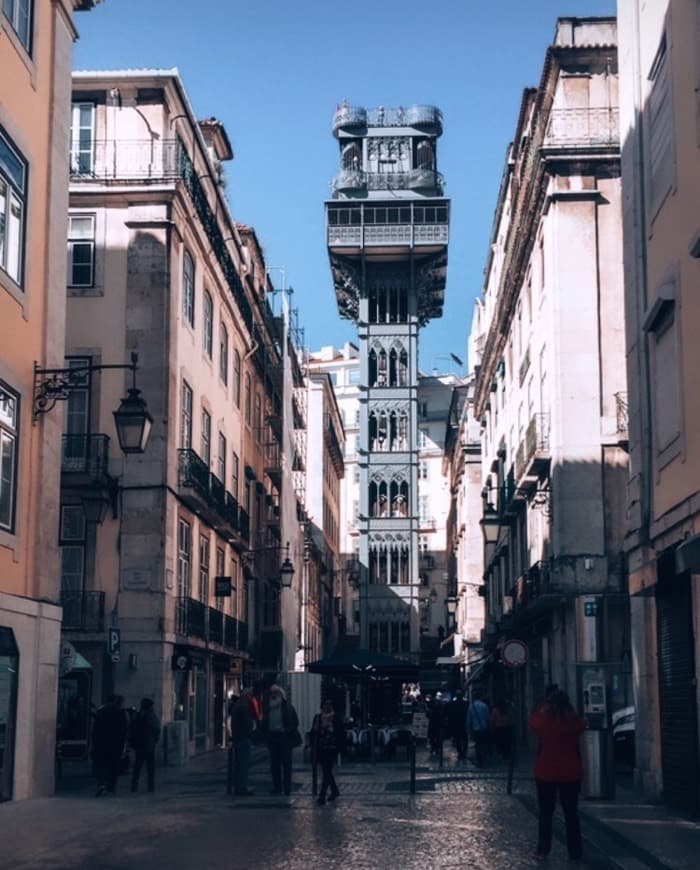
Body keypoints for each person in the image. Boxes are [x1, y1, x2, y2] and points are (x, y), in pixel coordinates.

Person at [529, 689, 586, 863]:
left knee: (546, 813)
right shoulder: (574, 723)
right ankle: (575, 852)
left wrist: (544, 706)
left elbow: (532, 721)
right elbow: (582, 724)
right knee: (571, 814)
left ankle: (543, 850)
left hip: (546, 772)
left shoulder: (544, 722)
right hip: (570, 772)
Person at [260, 684, 299, 796]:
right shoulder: (268, 708)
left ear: (281, 694)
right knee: (274, 764)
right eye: (272, 693)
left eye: (276, 693)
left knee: (286, 764)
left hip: (284, 737)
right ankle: (277, 787)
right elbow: (264, 722)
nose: (273, 695)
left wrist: (288, 731)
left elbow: (295, 722)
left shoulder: (287, 707)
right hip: (273, 737)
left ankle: (287, 787)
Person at [91, 694, 128, 796]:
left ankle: (101, 784)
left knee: (101, 764)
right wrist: (123, 745)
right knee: (113, 766)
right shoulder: (121, 712)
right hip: (116, 744)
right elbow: (124, 730)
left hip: (101, 743)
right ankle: (111, 787)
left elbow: (95, 729)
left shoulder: (100, 711)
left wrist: (94, 743)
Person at [311, 699, 346, 805]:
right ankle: (334, 790)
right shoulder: (318, 718)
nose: (327, 707)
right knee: (326, 771)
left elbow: (341, 733)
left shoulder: (335, 718)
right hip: (321, 748)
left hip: (332, 748)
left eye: (329, 705)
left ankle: (322, 796)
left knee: (327, 771)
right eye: (325, 705)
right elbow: (313, 732)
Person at [129, 698, 161, 793]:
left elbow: (131, 728)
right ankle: (150, 787)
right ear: (150, 706)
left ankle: (134, 786)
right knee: (150, 768)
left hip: (139, 745)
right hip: (149, 745)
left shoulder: (137, 715)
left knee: (137, 767)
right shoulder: (151, 716)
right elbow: (157, 729)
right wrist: (155, 739)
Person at [230, 688, 256, 796]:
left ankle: (239, 786)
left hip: (238, 737)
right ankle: (241, 787)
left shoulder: (238, 705)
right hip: (243, 738)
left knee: (239, 764)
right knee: (242, 764)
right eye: (251, 696)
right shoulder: (244, 706)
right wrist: (251, 730)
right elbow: (247, 724)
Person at [466, 691, 491, 767]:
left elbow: (469, 720)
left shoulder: (471, 706)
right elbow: (488, 718)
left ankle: (480, 760)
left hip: (476, 729)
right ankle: (484, 759)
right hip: (484, 728)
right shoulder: (484, 706)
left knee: (478, 745)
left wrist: (468, 729)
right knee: (484, 744)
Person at [446, 690, 468, 762]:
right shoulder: (466, 704)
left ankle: (460, 752)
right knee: (464, 738)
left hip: (455, 724)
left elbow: (449, 714)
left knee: (457, 739)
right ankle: (463, 752)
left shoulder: (452, 704)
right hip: (463, 723)